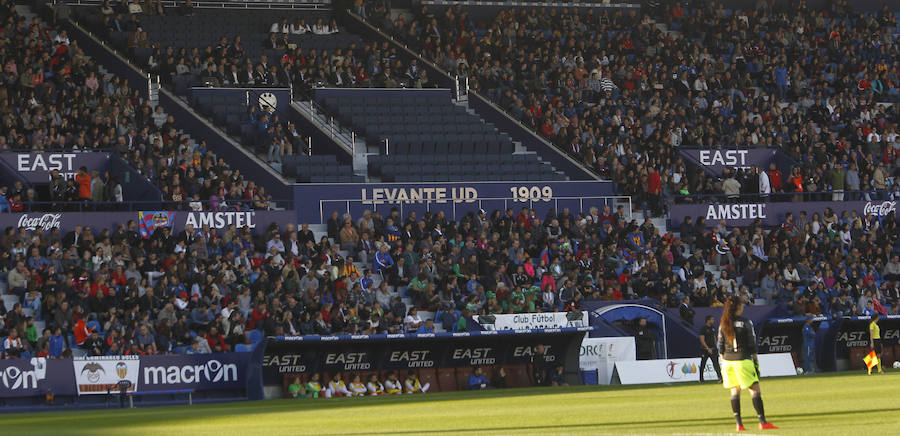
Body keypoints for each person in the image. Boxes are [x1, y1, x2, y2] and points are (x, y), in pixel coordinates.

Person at [718, 296, 778, 431]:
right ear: (738, 307)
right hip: (742, 360)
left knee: (734, 391)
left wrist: (724, 361)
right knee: (755, 390)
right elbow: (752, 342)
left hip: (727, 361)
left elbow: (720, 345)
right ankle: (762, 422)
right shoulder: (745, 322)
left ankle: (739, 424)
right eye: (741, 304)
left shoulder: (724, 323)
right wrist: (755, 360)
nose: (743, 307)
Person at [699, 316, 722, 382]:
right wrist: (707, 348)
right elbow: (702, 339)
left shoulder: (712, 328)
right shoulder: (703, 328)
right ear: (708, 320)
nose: (713, 321)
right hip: (705, 349)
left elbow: (714, 337)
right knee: (703, 364)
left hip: (713, 349)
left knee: (716, 363)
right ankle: (701, 378)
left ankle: (720, 377)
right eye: (712, 319)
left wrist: (715, 346)